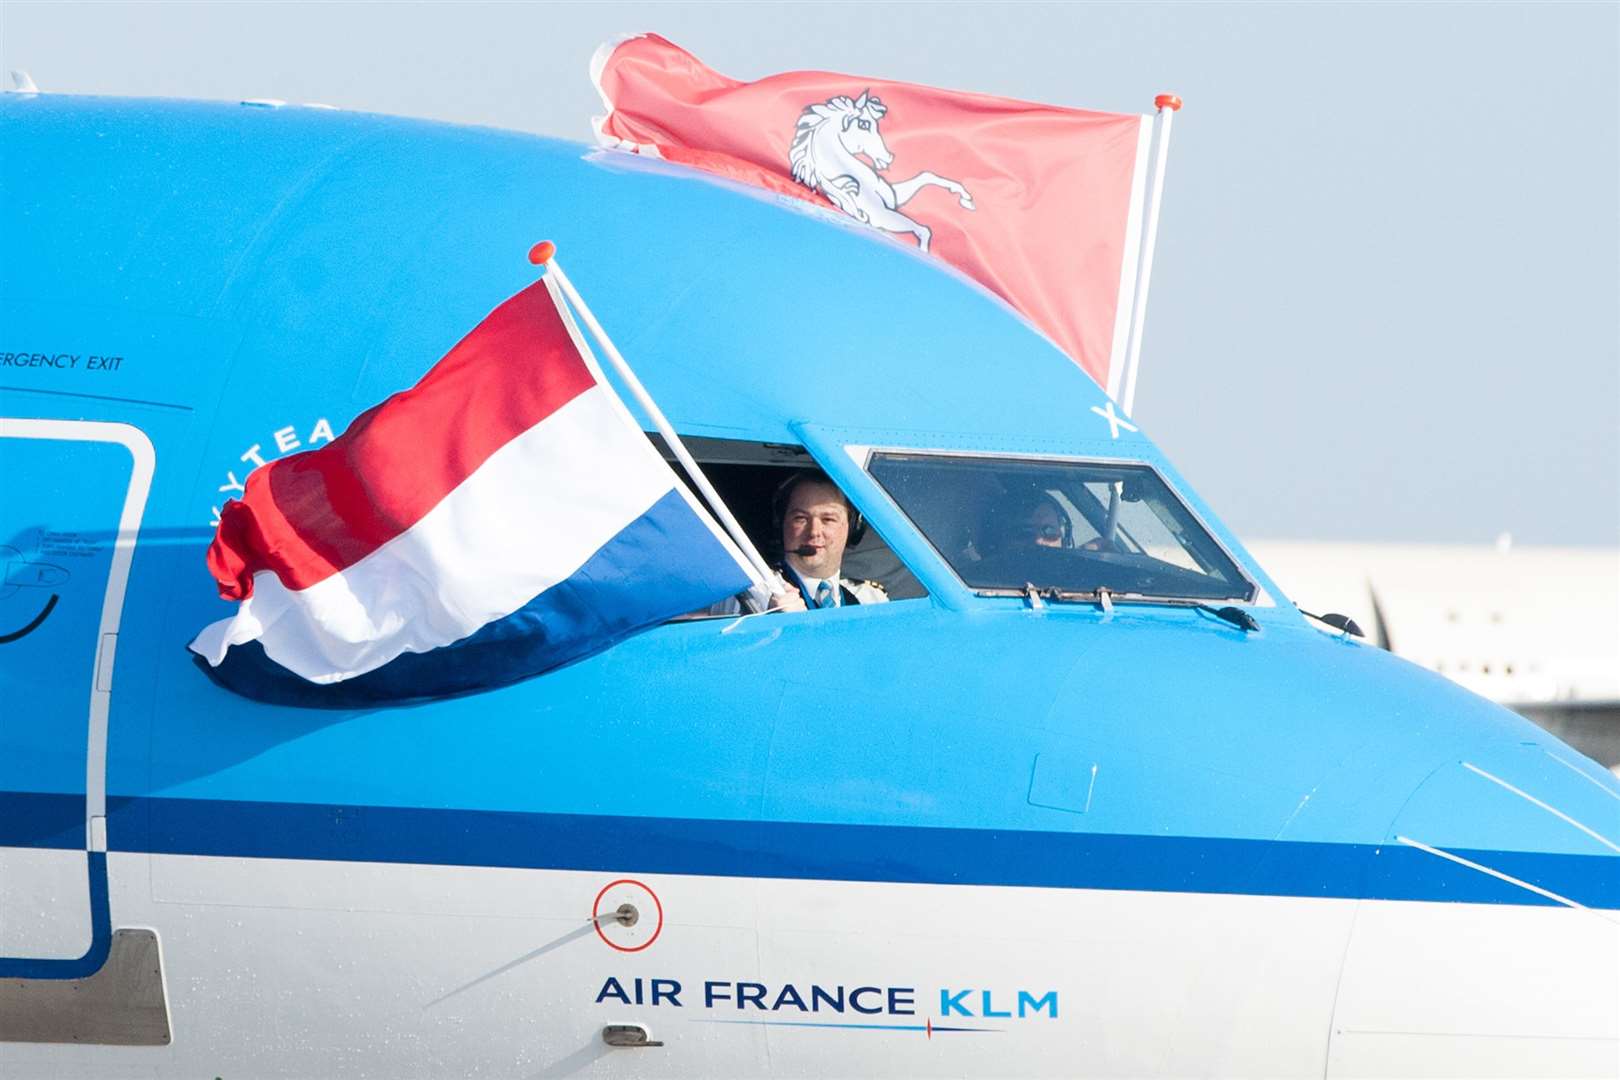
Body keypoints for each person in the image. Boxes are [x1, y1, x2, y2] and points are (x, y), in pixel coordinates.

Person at [773, 470, 888, 608]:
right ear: (781, 523)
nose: (814, 532)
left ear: (853, 528)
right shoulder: (757, 596)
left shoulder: (871, 600)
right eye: (801, 518)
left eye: (828, 519)